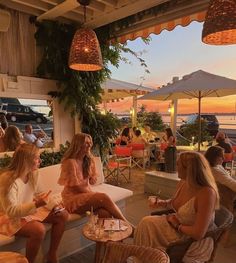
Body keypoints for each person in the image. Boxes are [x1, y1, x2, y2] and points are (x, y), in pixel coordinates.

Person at [134, 151, 219, 262]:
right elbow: (175, 202)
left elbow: (198, 234)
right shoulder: (183, 183)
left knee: (147, 226)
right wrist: (160, 202)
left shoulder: (207, 193)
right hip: (177, 226)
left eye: (178, 164)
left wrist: (177, 225)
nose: (176, 167)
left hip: (191, 240)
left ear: (189, 169)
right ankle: (143, 258)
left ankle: (150, 257)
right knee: (146, 223)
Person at [0, 144, 68, 263]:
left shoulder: (34, 173)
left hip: (27, 211)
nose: (40, 161)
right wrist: (36, 205)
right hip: (8, 217)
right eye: (37, 158)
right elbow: (10, 211)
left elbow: (41, 194)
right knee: (38, 229)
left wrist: (54, 206)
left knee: (63, 214)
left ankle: (51, 254)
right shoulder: (8, 179)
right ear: (26, 160)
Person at [58, 133, 128, 221]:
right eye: (86, 143)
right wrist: (92, 194)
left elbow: (92, 182)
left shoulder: (88, 160)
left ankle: (104, 234)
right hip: (72, 199)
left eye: (90, 143)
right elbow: (76, 187)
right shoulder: (70, 162)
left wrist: (92, 176)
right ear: (78, 145)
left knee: (104, 213)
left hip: (85, 195)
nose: (89, 145)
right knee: (103, 197)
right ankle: (127, 225)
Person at [205, 146, 236, 211]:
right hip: (225, 199)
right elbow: (230, 183)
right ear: (213, 157)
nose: (223, 158)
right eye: (221, 156)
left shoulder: (217, 166)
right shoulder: (215, 171)